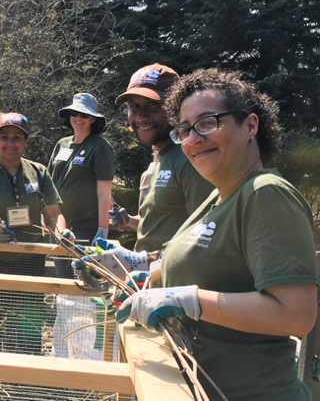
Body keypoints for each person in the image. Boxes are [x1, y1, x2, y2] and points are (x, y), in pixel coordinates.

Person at [116, 69, 318, 400]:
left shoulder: (266, 193)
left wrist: (189, 299)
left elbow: (296, 315)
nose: (193, 138)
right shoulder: (219, 195)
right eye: (183, 130)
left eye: (208, 123)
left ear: (250, 125)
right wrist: (145, 274)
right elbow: (214, 269)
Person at [0, 112, 70, 354]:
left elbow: (53, 214)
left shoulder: (38, 172)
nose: (10, 143)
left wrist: (62, 234)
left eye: (17, 137)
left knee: (27, 326)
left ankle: (25, 378)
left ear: (25, 141)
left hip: (29, 259)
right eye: (4, 137)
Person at [111, 64, 214, 254]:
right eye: (134, 106)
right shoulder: (159, 159)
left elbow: (205, 236)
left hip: (177, 281)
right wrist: (129, 221)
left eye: (152, 105)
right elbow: (159, 225)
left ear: (175, 108)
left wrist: (146, 261)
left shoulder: (190, 157)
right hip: (152, 279)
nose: (141, 116)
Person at [47, 93, 115, 278]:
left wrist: (102, 231)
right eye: (75, 113)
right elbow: (50, 185)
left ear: (93, 118)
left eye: (84, 115)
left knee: (86, 283)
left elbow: (104, 193)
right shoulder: (61, 144)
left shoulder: (100, 147)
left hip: (86, 231)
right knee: (63, 281)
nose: (79, 118)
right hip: (60, 229)